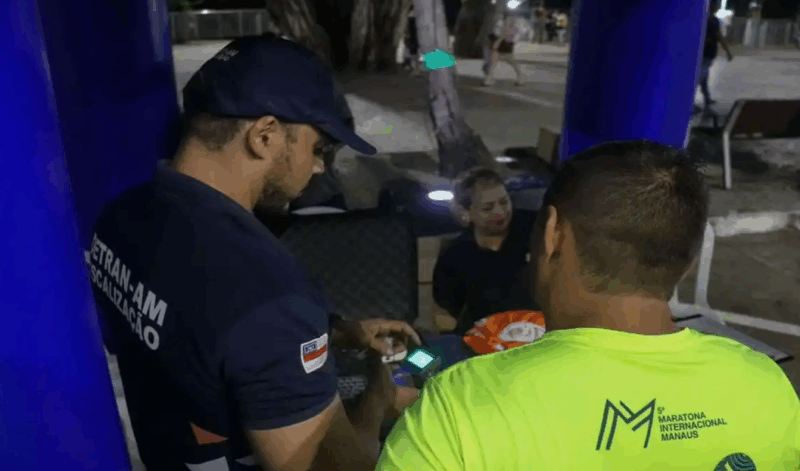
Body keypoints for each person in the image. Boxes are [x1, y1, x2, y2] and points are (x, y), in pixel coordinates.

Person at [87, 35, 421, 471]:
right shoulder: (271, 293)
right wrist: (379, 396)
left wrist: (336, 332)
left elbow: (200, 334)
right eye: (318, 148)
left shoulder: (119, 218)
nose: (319, 166)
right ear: (264, 136)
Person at [377, 140, 800, 469]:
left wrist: (365, 415)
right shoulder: (768, 385)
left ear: (551, 236)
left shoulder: (455, 410)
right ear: (689, 262)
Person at [432, 168, 539, 335]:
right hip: (486, 338)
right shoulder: (455, 255)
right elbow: (443, 312)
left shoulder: (537, 227)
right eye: (488, 208)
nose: (500, 212)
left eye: (504, 202)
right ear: (466, 213)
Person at [698, 0, 733, 109]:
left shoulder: (709, 19)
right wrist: (727, 51)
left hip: (706, 53)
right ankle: (691, 101)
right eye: (714, 4)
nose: (715, 7)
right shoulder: (710, 20)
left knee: (703, 77)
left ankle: (707, 99)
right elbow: (719, 36)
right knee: (701, 77)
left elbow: (718, 36)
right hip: (705, 54)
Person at [483, 13, 525, 86]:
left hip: (504, 45)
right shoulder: (502, 23)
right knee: (495, 62)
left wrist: (497, 43)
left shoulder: (511, 25)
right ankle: (489, 79)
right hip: (502, 44)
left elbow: (505, 35)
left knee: (510, 61)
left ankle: (520, 78)